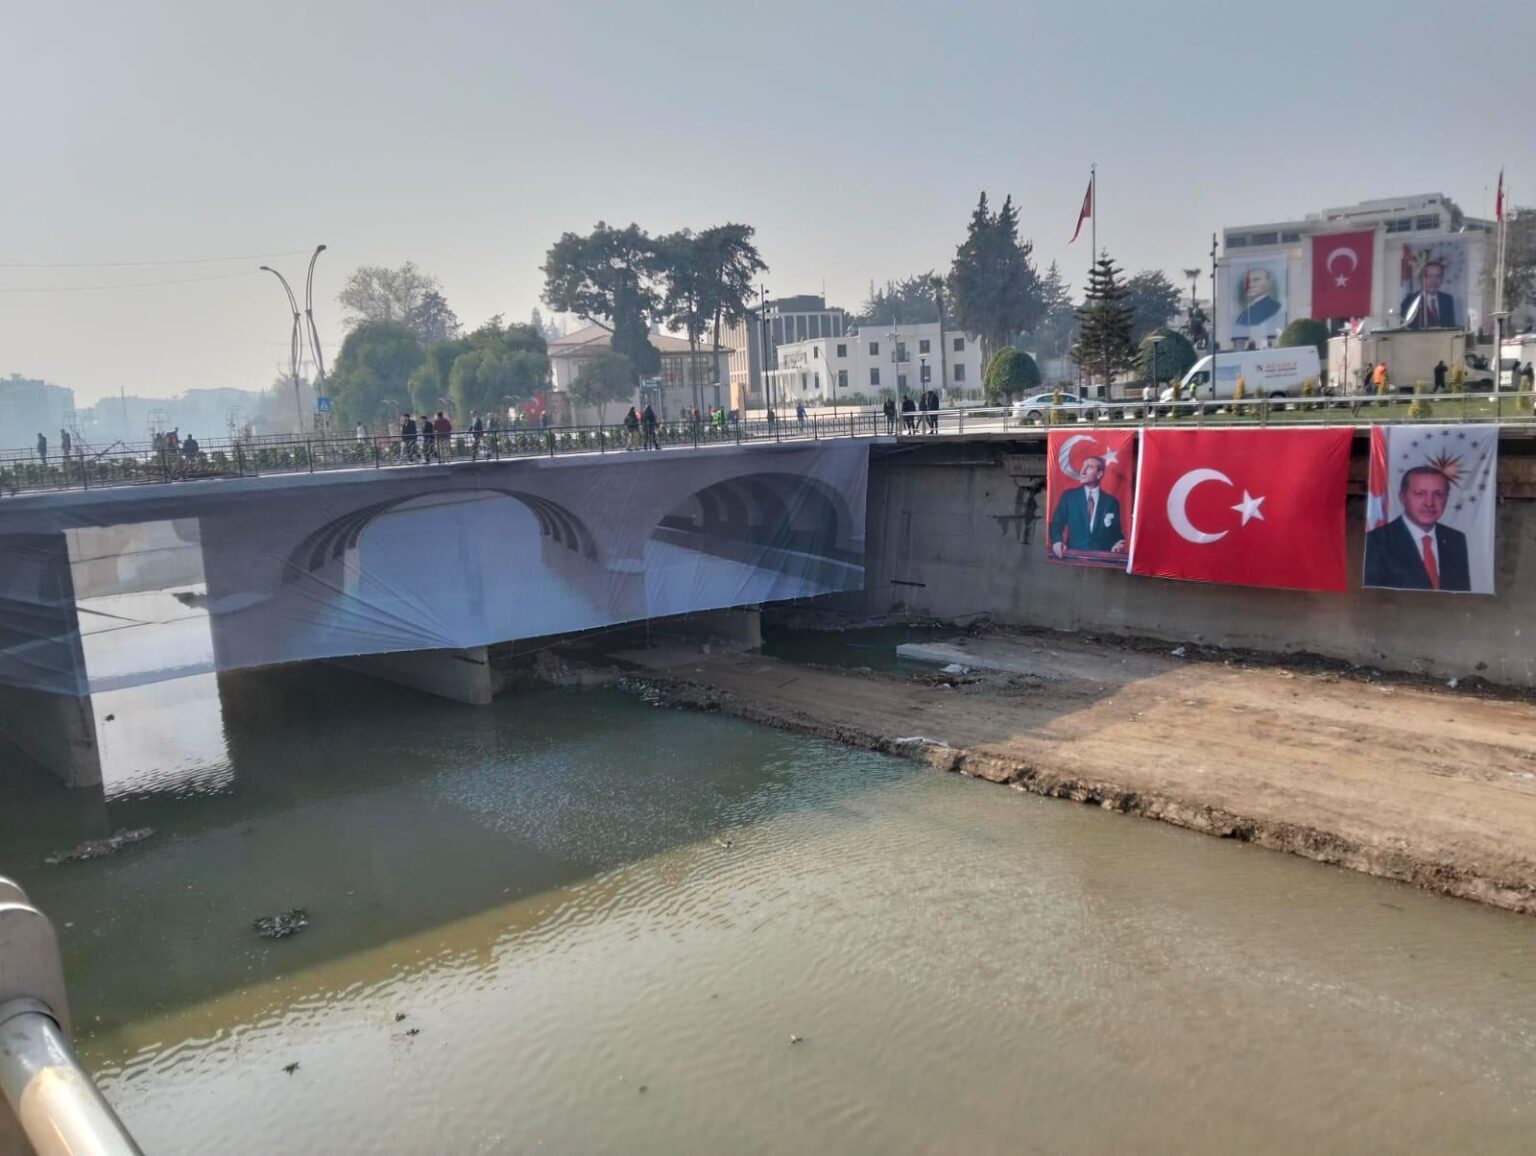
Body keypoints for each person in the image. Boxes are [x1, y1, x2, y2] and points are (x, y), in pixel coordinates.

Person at [1363, 466, 1471, 592]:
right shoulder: (1376, 541)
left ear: (1446, 498)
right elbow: (1374, 599)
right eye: (1420, 493)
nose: (1429, 503)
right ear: (1402, 497)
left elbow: (1461, 594)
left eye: (1439, 494)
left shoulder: (1456, 539)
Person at [1048, 455, 1126, 557]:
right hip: (1073, 559)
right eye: (1082, 467)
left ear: (1099, 474)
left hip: (1101, 561)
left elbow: (1116, 533)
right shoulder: (1069, 497)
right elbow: (1056, 524)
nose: (1082, 472)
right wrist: (1057, 542)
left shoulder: (1111, 502)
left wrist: (1118, 543)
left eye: (1089, 467)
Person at [1400, 259, 1457, 329]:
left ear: (1442, 279)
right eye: (1429, 276)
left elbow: (1451, 327)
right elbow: (1405, 330)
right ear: (1421, 279)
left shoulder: (1447, 299)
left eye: (1438, 276)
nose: (1433, 281)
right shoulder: (1410, 301)